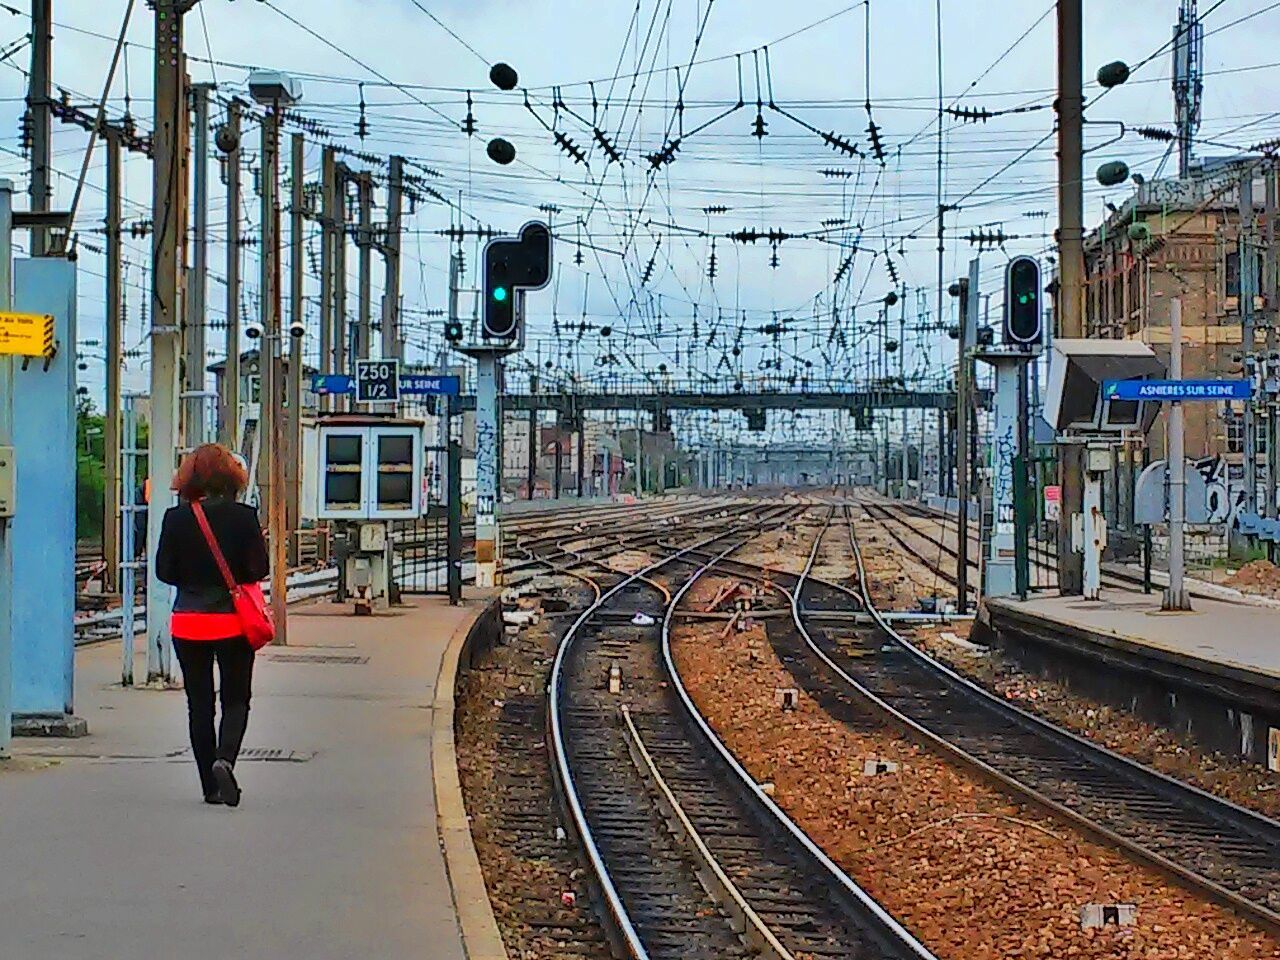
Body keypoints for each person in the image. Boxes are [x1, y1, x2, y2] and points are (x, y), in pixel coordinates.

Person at [155, 443, 269, 807]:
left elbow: (163, 572)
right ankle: (226, 759)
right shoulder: (243, 516)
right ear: (231, 476)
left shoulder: (176, 519)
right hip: (233, 625)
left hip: (188, 624)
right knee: (236, 699)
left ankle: (209, 786)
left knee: (199, 704)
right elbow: (258, 570)